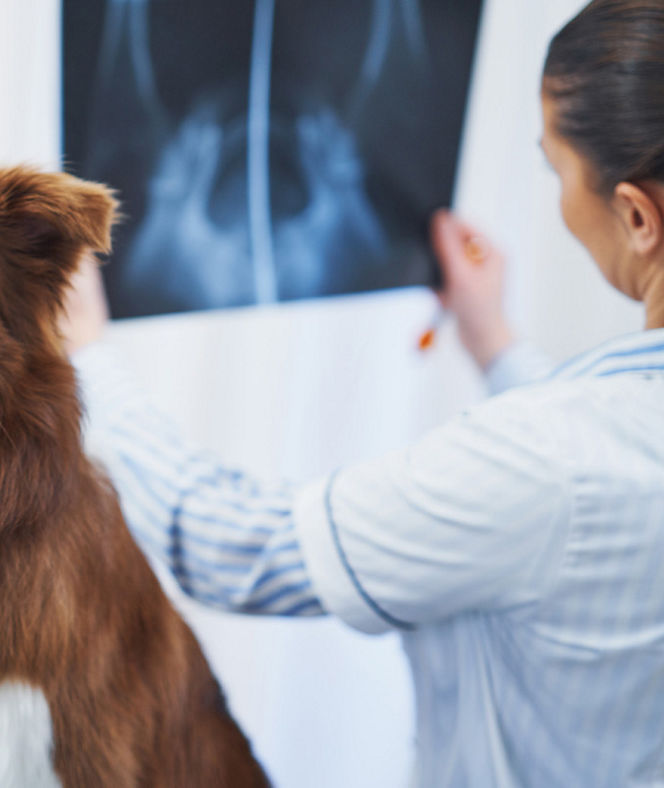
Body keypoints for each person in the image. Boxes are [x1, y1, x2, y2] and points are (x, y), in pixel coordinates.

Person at [63, 1, 664, 784]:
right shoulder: (589, 451)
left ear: (636, 217)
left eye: (557, 170)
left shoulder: (543, 460)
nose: (558, 202)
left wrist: (87, 355)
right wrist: (495, 341)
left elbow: (229, 548)